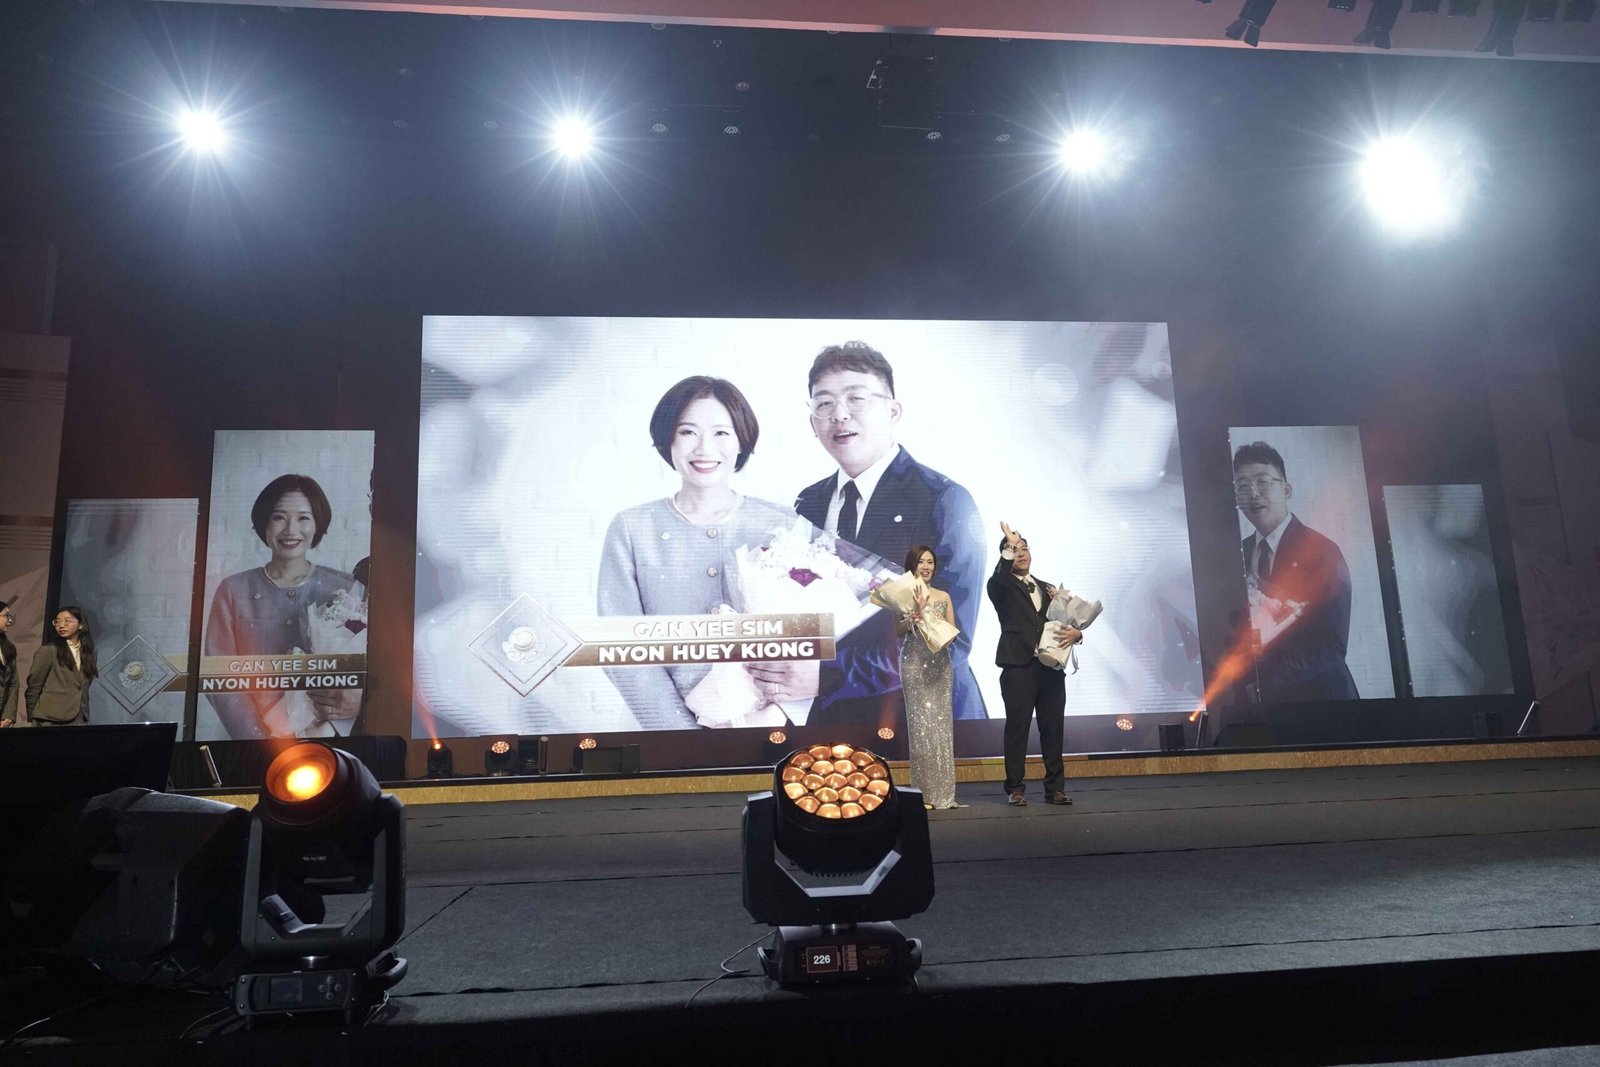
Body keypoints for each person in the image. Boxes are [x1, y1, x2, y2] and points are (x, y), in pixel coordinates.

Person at [772, 341, 986, 729]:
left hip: (924, 723)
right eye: (824, 403)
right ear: (812, 422)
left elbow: (943, 638)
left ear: (893, 411)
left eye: (856, 398)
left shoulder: (943, 501)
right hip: (836, 726)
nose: (839, 414)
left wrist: (827, 676)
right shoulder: (808, 504)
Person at [599, 376, 797, 728]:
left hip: (770, 728)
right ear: (668, 440)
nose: (705, 449)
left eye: (721, 433)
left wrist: (775, 715)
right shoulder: (631, 529)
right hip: (665, 736)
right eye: (688, 432)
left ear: (741, 440)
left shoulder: (782, 524)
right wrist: (682, 733)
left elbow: (813, 641)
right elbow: (621, 650)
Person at [204, 474, 366, 738]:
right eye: (279, 517)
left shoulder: (346, 588)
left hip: (329, 741)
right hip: (250, 744)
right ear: (264, 523)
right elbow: (220, 681)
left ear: (317, 524)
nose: (291, 529)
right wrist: (260, 742)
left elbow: (367, 675)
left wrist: (332, 727)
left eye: (303, 518)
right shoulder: (233, 591)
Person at [1232, 441, 1358, 703]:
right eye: (1243, 486)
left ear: (1286, 490)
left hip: (1322, 702)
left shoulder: (1321, 551)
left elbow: (1331, 644)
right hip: (1261, 708)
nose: (1253, 493)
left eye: (1262, 482)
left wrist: (1265, 682)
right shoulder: (1235, 556)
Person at [990, 523, 1080, 807]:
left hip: (1050, 667)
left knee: (1053, 729)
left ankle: (1055, 789)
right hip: (1018, 666)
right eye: (1015, 550)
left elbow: (1067, 622)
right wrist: (1008, 546)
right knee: (1017, 729)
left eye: (1024, 548)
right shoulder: (1001, 586)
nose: (1021, 553)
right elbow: (1000, 578)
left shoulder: (1048, 588)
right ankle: (1015, 788)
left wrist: (1077, 634)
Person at [898, 546, 961, 809]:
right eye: (921, 562)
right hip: (914, 663)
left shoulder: (943, 596)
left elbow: (953, 631)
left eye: (930, 562)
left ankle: (945, 794)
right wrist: (916, 611)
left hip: (940, 664)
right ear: (912, 565)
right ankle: (922, 794)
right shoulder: (903, 594)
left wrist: (939, 631)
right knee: (920, 729)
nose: (926, 566)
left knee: (941, 728)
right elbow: (898, 630)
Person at [23, 606, 97, 726]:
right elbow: (34, 685)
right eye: (57, 621)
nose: (61, 625)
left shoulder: (89, 653)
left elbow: (84, 684)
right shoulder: (48, 650)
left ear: (81, 625)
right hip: (50, 717)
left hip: (78, 716)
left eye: (67, 621)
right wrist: (34, 717)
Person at [0, 600, 20, 726]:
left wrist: (9, 714)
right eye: (6, 616)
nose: (10, 621)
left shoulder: (9, 648)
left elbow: (13, 682)